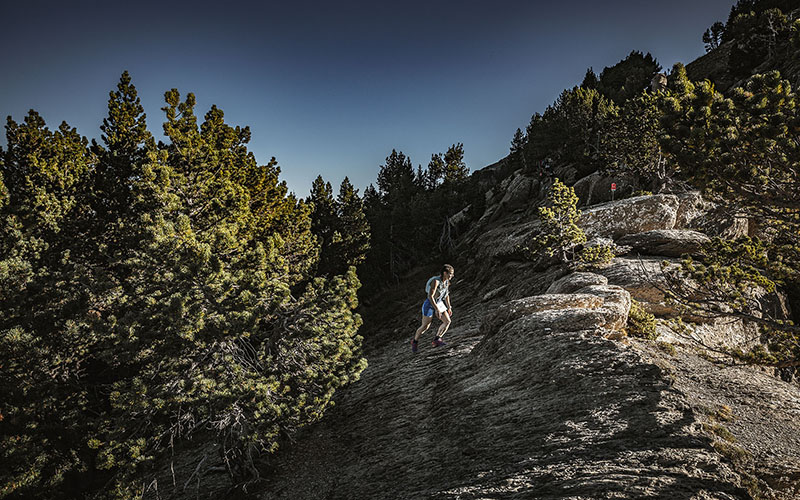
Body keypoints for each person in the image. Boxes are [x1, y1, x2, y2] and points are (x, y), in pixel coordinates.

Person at [411, 264, 455, 353]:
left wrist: (449, 306)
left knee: (447, 321)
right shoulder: (436, 281)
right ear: (445, 273)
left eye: (452, 274)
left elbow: (446, 295)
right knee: (425, 326)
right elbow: (430, 296)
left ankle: (437, 339)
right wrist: (437, 309)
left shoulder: (447, 282)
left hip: (439, 303)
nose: (452, 276)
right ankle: (415, 341)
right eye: (450, 274)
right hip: (430, 304)